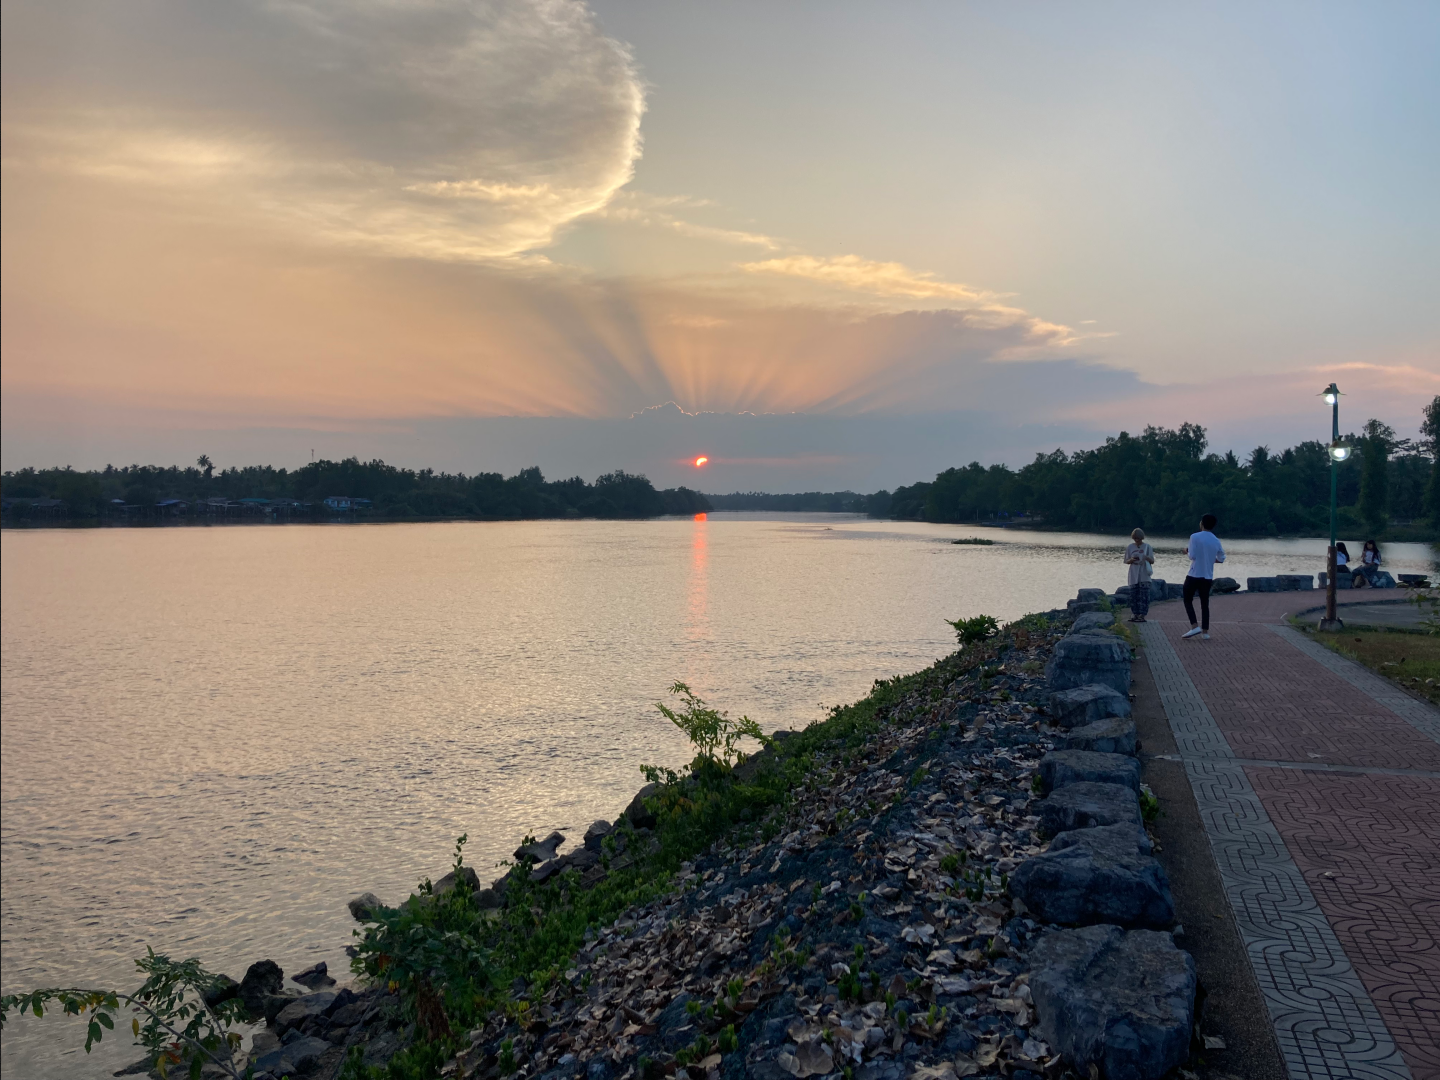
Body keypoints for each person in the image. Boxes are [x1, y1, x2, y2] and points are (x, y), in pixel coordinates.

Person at [1181, 513, 1226, 640]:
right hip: (1207, 576)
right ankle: (1205, 632)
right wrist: (1210, 559)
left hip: (1194, 574)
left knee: (1187, 599)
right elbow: (1221, 558)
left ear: (1202, 523)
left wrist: (1186, 551)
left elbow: (1192, 556)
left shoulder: (1194, 537)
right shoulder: (1216, 540)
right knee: (1204, 603)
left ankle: (1194, 625)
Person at [1123, 528, 1155, 622]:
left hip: (1144, 573)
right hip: (1134, 572)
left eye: (1138, 539)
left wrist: (1146, 558)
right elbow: (1126, 561)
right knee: (1134, 595)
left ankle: (1142, 615)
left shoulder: (1147, 547)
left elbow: (1152, 561)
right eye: (1135, 539)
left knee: (1144, 595)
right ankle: (1135, 613)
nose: (1137, 541)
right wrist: (1132, 560)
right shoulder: (1130, 547)